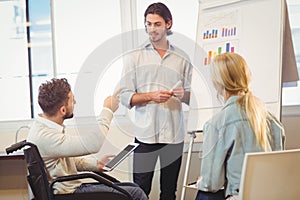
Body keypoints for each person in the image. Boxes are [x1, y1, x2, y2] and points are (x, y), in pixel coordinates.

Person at [27, 78, 148, 200]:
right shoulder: (45, 136)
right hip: (68, 194)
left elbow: (66, 161)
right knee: (135, 193)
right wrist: (108, 109)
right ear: (63, 110)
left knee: (133, 188)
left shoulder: (44, 128)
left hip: (69, 190)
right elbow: (93, 144)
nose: (75, 103)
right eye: (72, 101)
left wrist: (96, 164)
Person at [119, 2, 192, 199]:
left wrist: (182, 94)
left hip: (174, 135)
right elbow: (124, 96)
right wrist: (151, 96)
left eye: (157, 24)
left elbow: (193, 97)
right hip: (145, 135)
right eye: (148, 24)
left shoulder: (182, 58)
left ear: (168, 24)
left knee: (169, 191)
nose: (151, 29)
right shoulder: (134, 57)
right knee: (139, 191)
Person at [195, 52, 286, 200]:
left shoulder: (216, 124)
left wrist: (201, 182)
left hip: (240, 196)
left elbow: (211, 183)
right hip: (272, 195)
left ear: (217, 82)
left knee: (204, 194)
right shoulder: (272, 120)